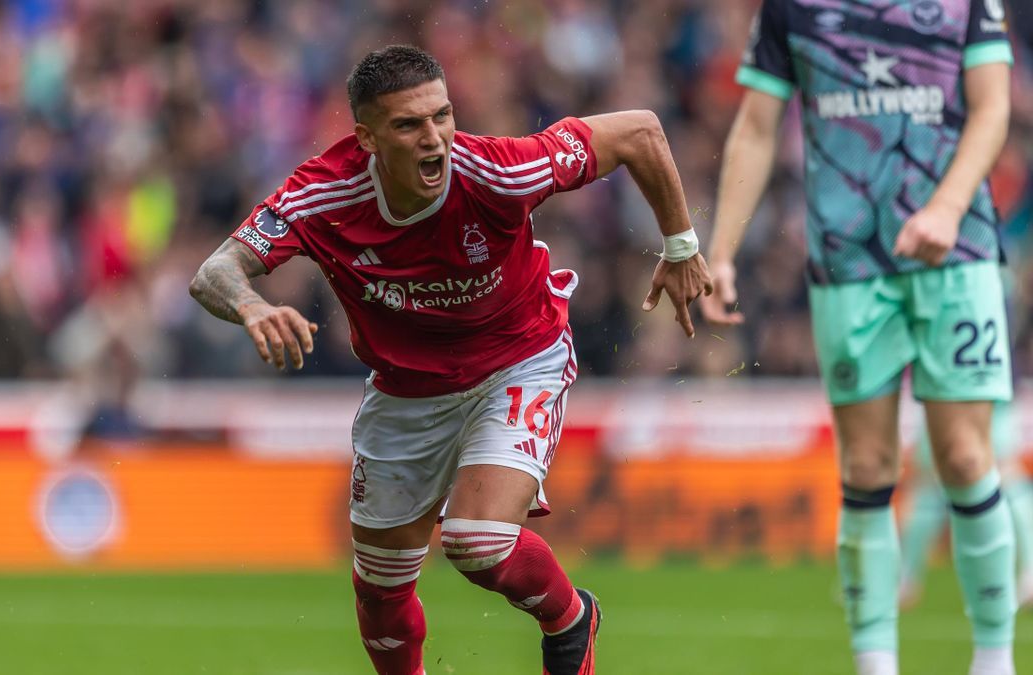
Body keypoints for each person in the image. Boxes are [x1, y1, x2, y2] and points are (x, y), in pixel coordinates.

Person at [190, 45, 712, 675]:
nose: (434, 138)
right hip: (406, 392)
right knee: (380, 591)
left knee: (477, 541)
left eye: (443, 116)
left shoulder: (499, 170)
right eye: (409, 125)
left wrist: (681, 245)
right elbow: (216, 271)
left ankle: (570, 618)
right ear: (368, 138)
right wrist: (250, 307)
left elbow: (640, 130)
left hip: (519, 359)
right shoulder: (323, 194)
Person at [700, 2, 1019, 674]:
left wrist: (947, 207)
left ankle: (994, 658)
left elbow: (993, 109)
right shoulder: (793, 8)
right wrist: (721, 250)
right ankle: (875, 665)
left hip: (956, 254)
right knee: (868, 468)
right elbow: (757, 126)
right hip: (848, 262)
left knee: (963, 457)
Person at [900, 402, 1033, 611]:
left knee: (1007, 480)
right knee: (1008, 482)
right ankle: (905, 578)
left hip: (972, 401)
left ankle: (905, 580)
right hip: (971, 399)